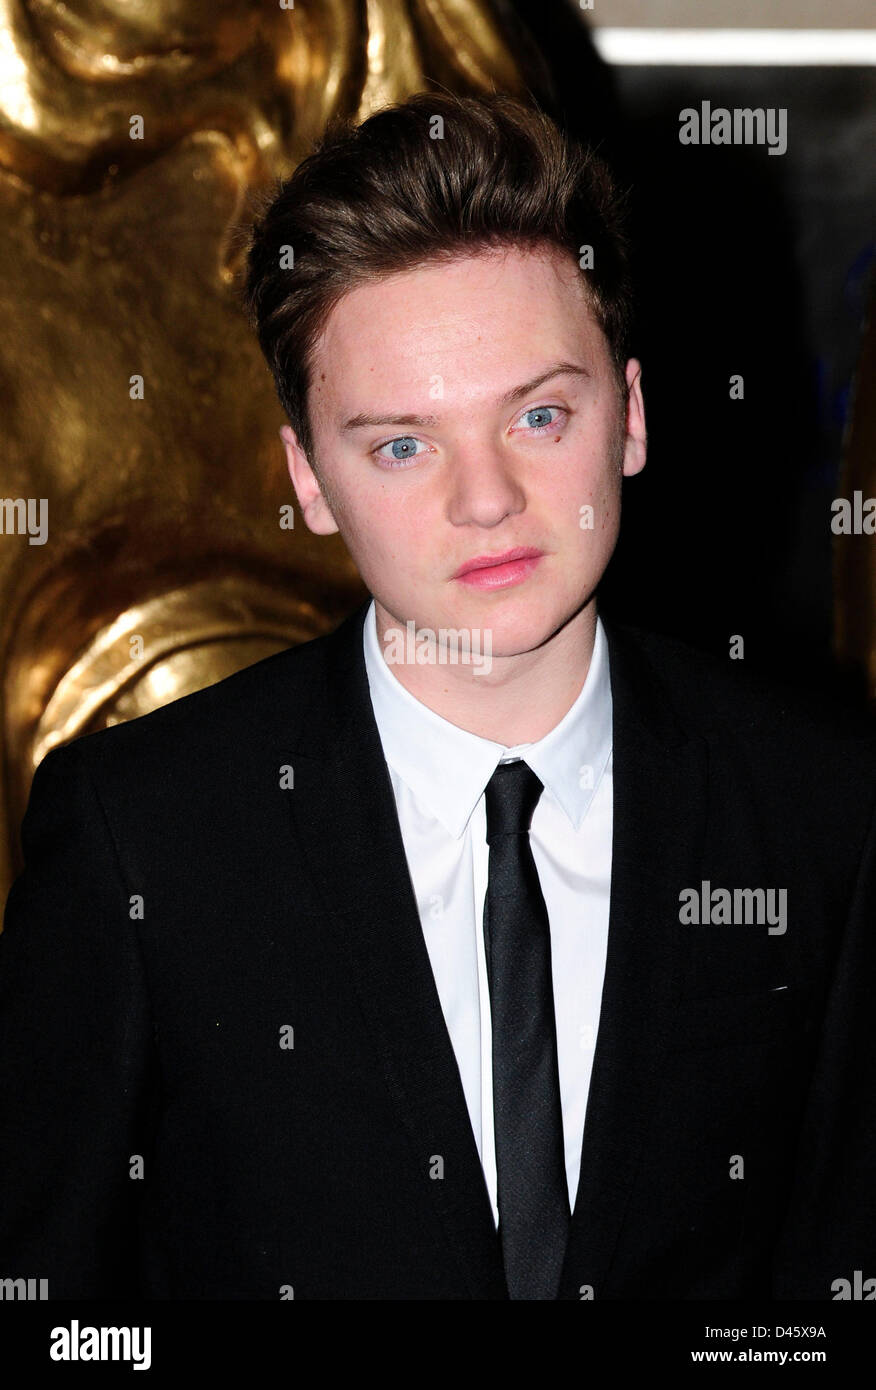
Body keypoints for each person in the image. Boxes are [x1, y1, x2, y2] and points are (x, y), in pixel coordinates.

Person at [1, 91, 874, 1301]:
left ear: (629, 415)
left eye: (538, 413)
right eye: (403, 444)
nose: (487, 499)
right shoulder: (139, 835)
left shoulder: (827, 807)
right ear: (308, 476)